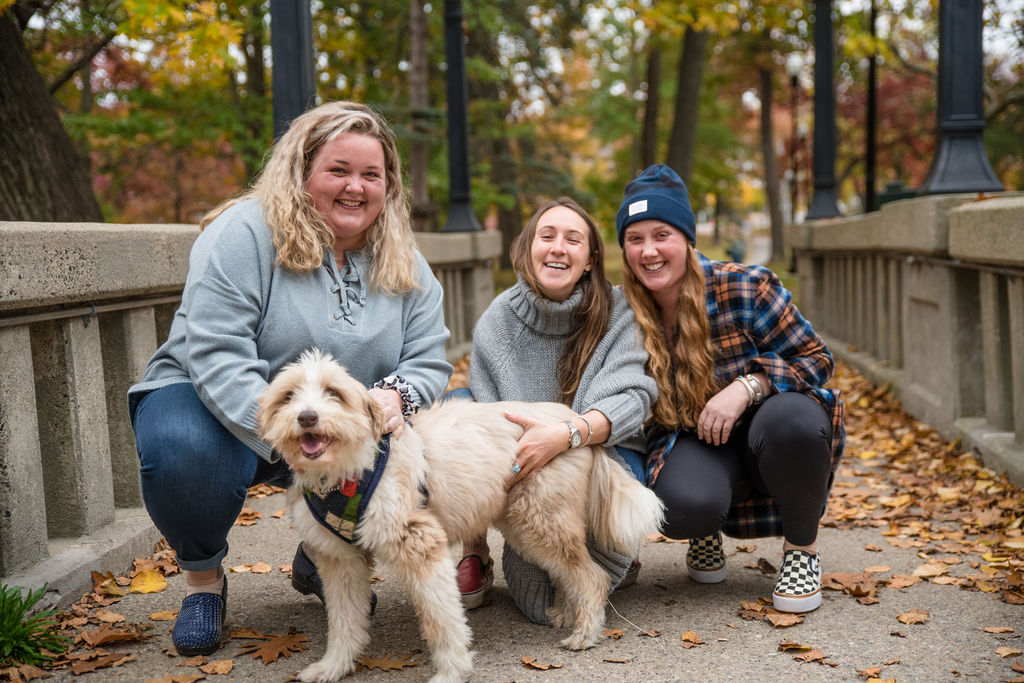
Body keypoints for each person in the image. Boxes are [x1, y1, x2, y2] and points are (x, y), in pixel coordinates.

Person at [127, 101, 452, 656]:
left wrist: (397, 396)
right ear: (302, 173)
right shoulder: (244, 234)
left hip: (334, 421)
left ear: (389, 186)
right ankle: (204, 581)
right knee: (182, 449)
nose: (356, 187)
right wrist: (291, 435)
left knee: (444, 442)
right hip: (212, 402)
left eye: (371, 175)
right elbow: (217, 351)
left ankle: (323, 550)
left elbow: (427, 358)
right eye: (338, 171)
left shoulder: (402, 259)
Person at [616, 164, 844, 614]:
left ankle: (802, 551)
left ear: (686, 238)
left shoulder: (745, 286)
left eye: (661, 234)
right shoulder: (621, 311)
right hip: (696, 439)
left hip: (770, 430)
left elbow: (817, 360)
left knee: (795, 422)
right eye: (634, 239)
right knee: (680, 507)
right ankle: (704, 530)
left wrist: (749, 385)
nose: (649, 251)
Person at [456, 197, 658, 624]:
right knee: (536, 599)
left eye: (573, 240)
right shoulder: (498, 321)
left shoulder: (616, 311)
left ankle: (618, 545)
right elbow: (490, 425)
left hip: (604, 453)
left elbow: (631, 397)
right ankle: (474, 549)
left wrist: (564, 436)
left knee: (586, 577)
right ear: (527, 248)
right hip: (530, 471)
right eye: (547, 237)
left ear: (589, 260)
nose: (558, 248)